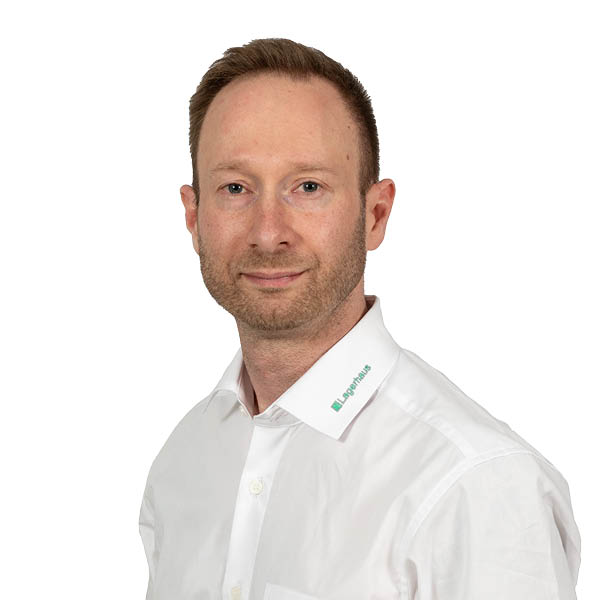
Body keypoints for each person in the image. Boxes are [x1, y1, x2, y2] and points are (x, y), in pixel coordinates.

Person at [138, 38, 581, 600]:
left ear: (375, 215)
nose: (268, 232)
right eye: (235, 188)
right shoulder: (182, 463)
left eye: (308, 187)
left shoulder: (477, 486)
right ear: (194, 216)